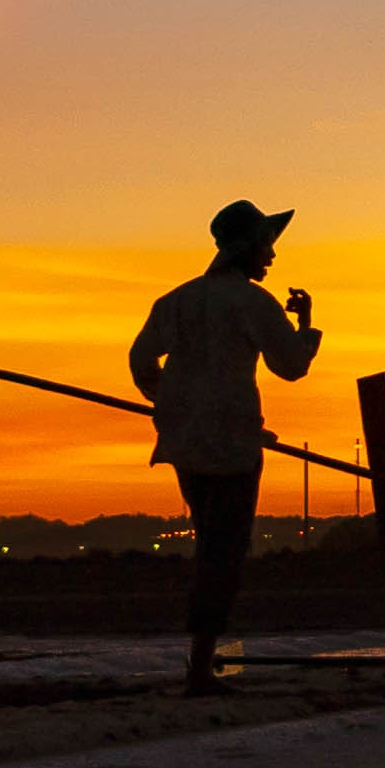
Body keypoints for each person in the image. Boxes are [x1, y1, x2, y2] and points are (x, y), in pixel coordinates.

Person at [128, 199, 323, 694]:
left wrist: (173, 402)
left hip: (188, 441)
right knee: (224, 551)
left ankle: (207, 664)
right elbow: (291, 366)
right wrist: (306, 325)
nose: (273, 257)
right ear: (247, 249)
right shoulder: (252, 303)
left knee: (211, 544)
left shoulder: (177, 300)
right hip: (232, 447)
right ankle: (203, 671)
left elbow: (141, 359)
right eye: (267, 247)